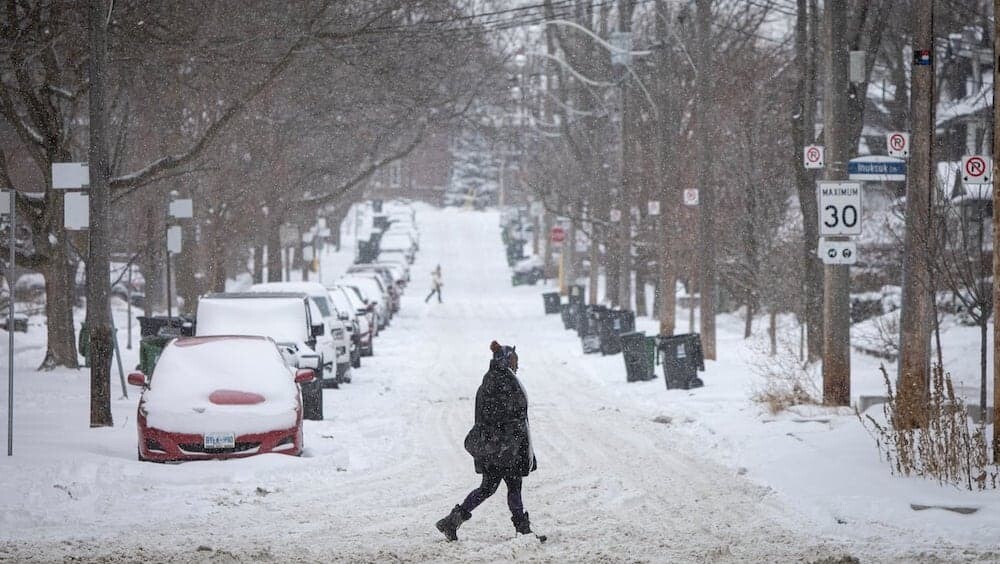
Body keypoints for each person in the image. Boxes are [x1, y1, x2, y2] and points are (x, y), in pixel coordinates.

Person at [436, 341, 538, 542]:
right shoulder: (502, 381)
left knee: (489, 487)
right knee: (512, 486)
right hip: (505, 448)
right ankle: (523, 531)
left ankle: (452, 521)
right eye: (514, 360)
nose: (517, 364)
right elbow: (507, 414)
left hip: (497, 448)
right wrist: (511, 439)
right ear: (505, 360)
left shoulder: (495, 379)